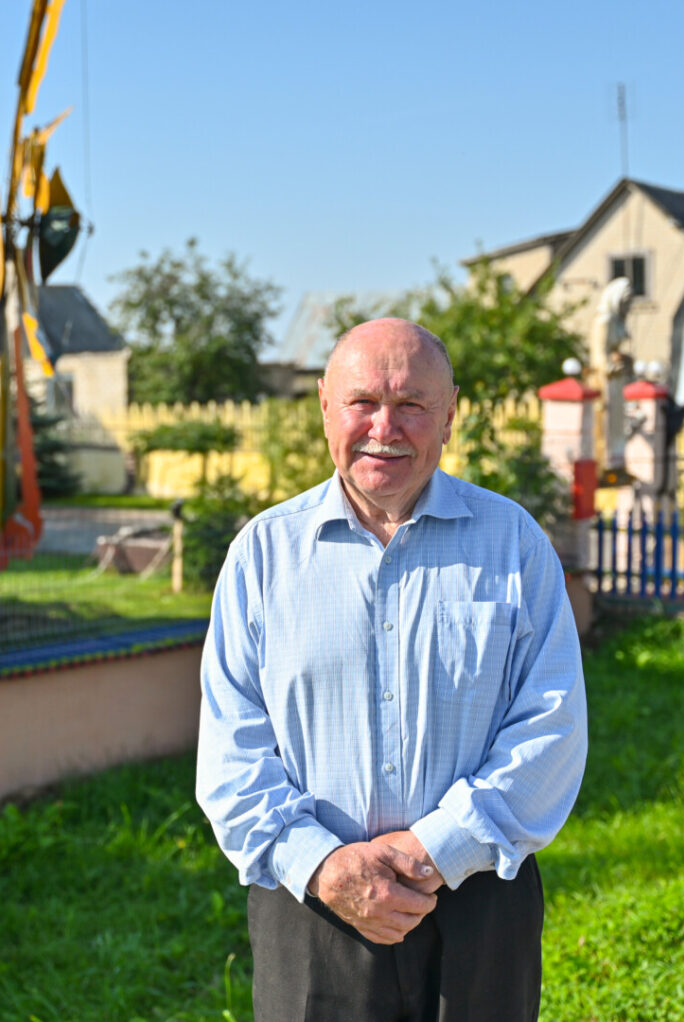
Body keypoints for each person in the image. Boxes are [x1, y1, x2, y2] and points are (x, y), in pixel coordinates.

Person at [196, 318, 589, 1020]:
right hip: (313, 907)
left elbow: (551, 730)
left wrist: (434, 850)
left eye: (412, 405)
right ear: (324, 407)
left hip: (479, 900)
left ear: (450, 415)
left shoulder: (514, 544)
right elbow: (232, 755)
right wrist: (327, 866)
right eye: (362, 403)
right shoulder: (262, 556)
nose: (386, 427)